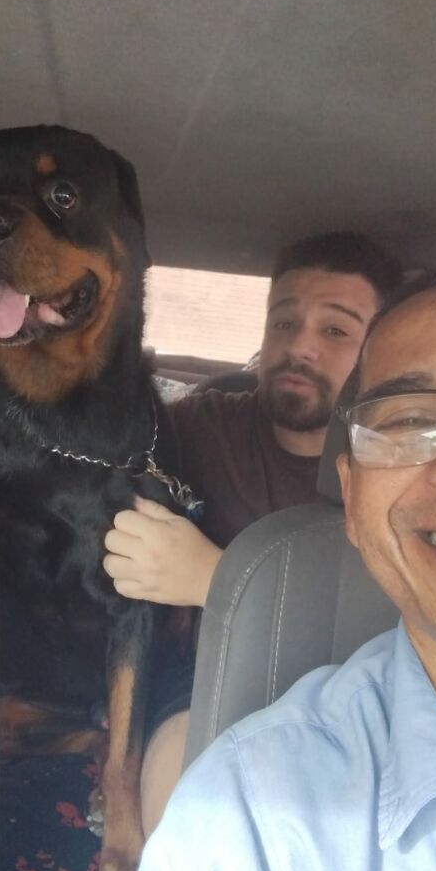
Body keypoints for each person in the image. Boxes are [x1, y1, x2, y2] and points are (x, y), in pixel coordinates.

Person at [134, 259, 436, 871]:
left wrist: (214, 576)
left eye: (336, 331)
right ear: (352, 499)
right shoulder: (249, 817)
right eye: (409, 419)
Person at [103, 231, 400, 830]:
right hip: (211, 683)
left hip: (369, 696)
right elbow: (77, 463)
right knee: (184, 784)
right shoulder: (195, 427)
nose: (301, 348)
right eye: (283, 323)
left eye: (336, 331)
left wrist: (216, 579)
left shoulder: (402, 461)